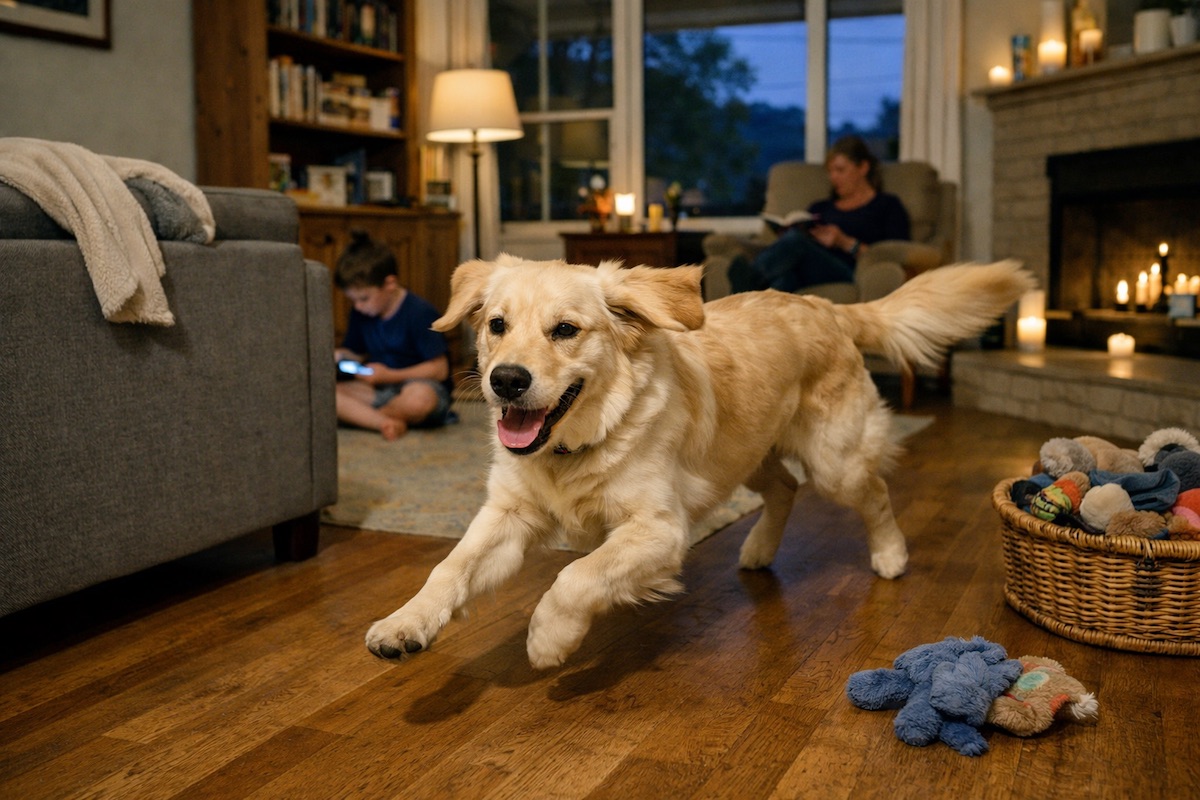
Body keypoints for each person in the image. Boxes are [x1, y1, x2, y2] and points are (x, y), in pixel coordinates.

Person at [731, 135, 912, 294]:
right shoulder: (821, 208)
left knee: (796, 242)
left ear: (863, 167)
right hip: (807, 267)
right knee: (785, 279)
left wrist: (844, 242)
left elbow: (896, 254)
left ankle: (747, 281)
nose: (833, 177)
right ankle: (755, 322)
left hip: (849, 270)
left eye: (840, 170)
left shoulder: (886, 205)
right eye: (830, 172)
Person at [334, 231, 454, 441]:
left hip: (419, 386)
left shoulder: (419, 312)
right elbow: (354, 352)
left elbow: (439, 369)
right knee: (326, 395)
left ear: (390, 284)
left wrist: (388, 375)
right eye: (353, 301)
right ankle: (386, 422)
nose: (358, 306)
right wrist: (339, 356)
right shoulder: (361, 313)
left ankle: (368, 418)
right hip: (378, 390)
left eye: (364, 298)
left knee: (418, 401)